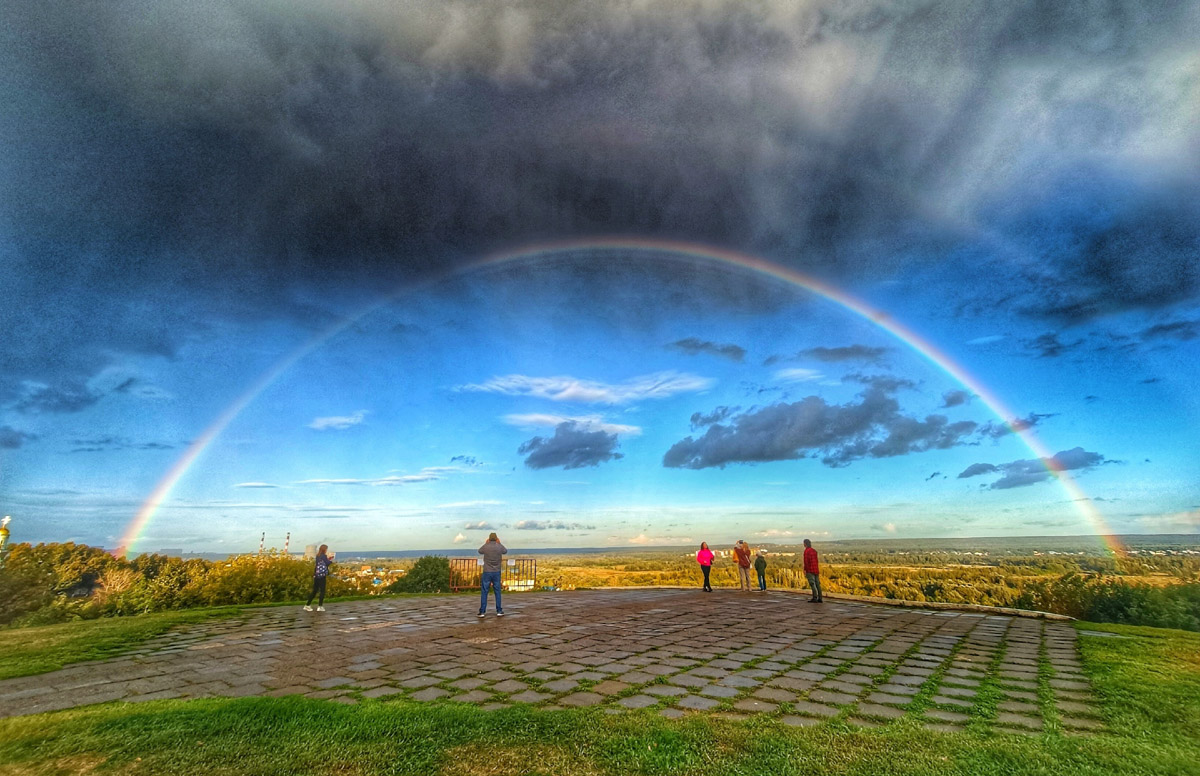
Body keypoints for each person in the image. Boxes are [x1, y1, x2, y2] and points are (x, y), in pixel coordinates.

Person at [478, 532, 507, 617]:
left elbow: (479, 551)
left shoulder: (486, 546)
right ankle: (499, 610)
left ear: (489, 538)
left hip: (487, 571)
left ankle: (482, 611)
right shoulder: (499, 546)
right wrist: (499, 543)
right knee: (497, 591)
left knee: (484, 591)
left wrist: (486, 543)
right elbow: (505, 551)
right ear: (496, 538)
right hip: (496, 571)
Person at [303, 544, 331, 612]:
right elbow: (327, 563)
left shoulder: (317, 556)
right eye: (326, 549)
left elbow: (317, 565)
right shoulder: (324, 556)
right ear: (324, 550)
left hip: (317, 575)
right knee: (322, 591)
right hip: (322, 576)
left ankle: (307, 605)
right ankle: (320, 606)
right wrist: (330, 559)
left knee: (314, 591)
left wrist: (314, 574)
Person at [803, 538, 822, 603]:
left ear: (805, 544)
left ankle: (815, 597)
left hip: (810, 570)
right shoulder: (814, 551)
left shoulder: (806, 551)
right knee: (817, 584)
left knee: (812, 583)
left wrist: (805, 570)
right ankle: (820, 598)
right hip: (816, 569)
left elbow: (806, 562)